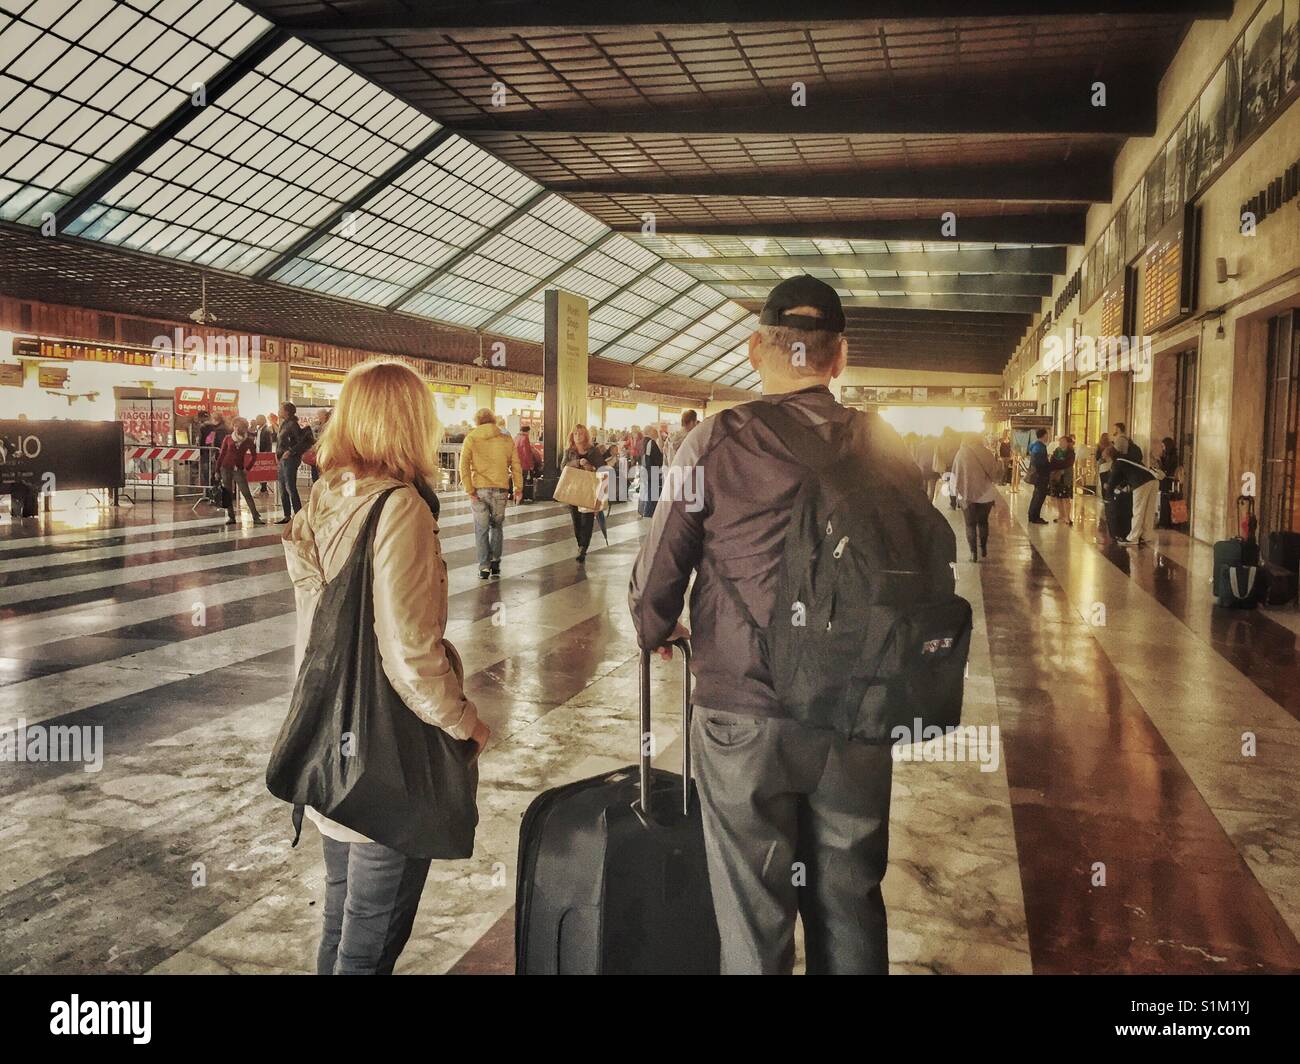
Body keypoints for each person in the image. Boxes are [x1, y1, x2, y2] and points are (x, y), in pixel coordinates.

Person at [629, 274, 896, 975]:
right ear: (839, 358)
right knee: (851, 899)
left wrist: (657, 627)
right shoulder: (885, 445)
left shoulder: (712, 443)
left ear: (756, 349)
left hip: (742, 708)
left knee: (752, 910)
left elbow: (657, 575)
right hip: (856, 712)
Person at [282, 360, 488, 976]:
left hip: (326, 737)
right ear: (410, 424)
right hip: (384, 753)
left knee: (342, 916)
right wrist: (462, 722)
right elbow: (407, 650)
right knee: (370, 940)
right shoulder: (398, 507)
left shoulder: (324, 495)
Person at [459, 408, 522, 579]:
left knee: (481, 529)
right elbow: (516, 464)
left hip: (479, 489)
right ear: (494, 420)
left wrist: (469, 488)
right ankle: (495, 564)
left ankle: (484, 568)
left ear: (477, 421)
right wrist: (518, 488)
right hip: (501, 489)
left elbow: (463, 465)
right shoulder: (506, 438)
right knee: (497, 527)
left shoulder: (471, 438)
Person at [951, 432, 1000, 562]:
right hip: (986, 494)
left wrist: (955, 493)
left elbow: (955, 473)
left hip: (966, 493)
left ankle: (973, 554)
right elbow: (995, 472)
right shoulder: (987, 453)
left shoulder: (961, 453)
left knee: (970, 524)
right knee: (983, 522)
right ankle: (983, 547)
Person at [563, 424, 605, 563]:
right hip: (574, 489)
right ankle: (580, 543)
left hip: (589, 489)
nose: (578, 436)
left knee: (586, 520)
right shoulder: (569, 451)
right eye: (575, 433)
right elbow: (563, 466)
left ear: (585, 435)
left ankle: (583, 548)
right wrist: (576, 462)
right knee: (576, 520)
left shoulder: (593, 451)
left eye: (580, 433)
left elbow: (602, 468)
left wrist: (590, 466)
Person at [216, 417, 263, 526]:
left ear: (243, 428)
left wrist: (248, 468)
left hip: (239, 469)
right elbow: (222, 454)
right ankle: (231, 517)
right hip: (226, 468)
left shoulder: (248, 440)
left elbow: (254, 455)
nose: (236, 428)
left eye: (238, 427)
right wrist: (217, 470)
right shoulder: (228, 438)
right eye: (235, 426)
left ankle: (255, 516)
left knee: (246, 493)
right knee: (227, 493)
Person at [1113, 444, 1160, 547]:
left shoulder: (1118, 462)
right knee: (1149, 509)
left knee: (1138, 510)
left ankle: (1133, 538)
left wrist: (1114, 490)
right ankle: (1147, 535)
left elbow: (1116, 478)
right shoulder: (1128, 458)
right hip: (1153, 479)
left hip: (1141, 483)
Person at [275, 402, 310, 524]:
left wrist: (290, 451)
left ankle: (299, 514)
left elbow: (300, 441)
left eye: (281, 409)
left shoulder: (292, 424)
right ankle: (286, 515)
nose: (278, 411)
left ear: (287, 411)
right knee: (282, 487)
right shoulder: (283, 424)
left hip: (290, 460)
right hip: (282, 460)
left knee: (290, 487)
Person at [1026, 428, 1054, 524]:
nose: (1048, 436)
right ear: (1044, 435)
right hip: (1041, 475)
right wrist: (1050, 465)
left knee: (1036, 495)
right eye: (1047, 434)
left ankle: (1032, 515)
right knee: (1039, 496)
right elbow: (1041, 463)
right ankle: (1035, 516)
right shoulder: (1040, 447)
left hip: (1038, 475)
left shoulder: (1035, 445)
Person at [638, 423, 666, 519]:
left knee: (645, 490)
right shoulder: (651, 442)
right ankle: (649, 512)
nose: (655, 433)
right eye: (654, 431)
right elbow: (656, 458)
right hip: (651, 470)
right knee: (653, 492)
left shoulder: (642, 442)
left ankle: (642, 510)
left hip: (643, 469)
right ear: (649, 432)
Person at [1049, 434, 1076, 526]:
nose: (1061, 443)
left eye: (1063, 442)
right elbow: (1053, 461)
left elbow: (1067, 463)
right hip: (1057, 476)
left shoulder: (1070, 452)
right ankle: (1061, 515)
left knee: (1065, 497)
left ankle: (1067, 517)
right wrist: (1058, 464)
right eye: (1060, 442)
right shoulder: (1056, 451)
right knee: (1058, 497)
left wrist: (1058, 463)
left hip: (1066, 477)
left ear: (1067, 443)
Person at [934, 427, 961, 509]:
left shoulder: (941, 442)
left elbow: (939, 455)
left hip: (948, 466)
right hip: (958, 465)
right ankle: (959, 502)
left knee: (951, 485)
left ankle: (953, 503)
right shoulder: (957, 440)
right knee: (959, 484)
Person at [515, 424, 537, 501]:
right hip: (523, 464)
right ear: (528, 431)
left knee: (517, 482)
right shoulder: (525, 438)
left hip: (516, 464)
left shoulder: (516, 437)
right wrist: (531, 465)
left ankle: (516, 497)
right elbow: (527, 453)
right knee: (522, 482)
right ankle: (521, 498)